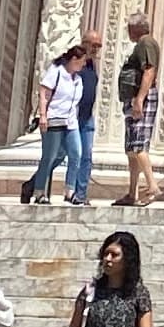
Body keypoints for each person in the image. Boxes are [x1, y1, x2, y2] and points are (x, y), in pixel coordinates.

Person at [25, 37, 87, 205]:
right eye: (81, 62)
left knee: (76, 153)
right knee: (49, 156)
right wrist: (43, 116)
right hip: (54, 119)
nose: (83, 66)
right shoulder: (57, 72)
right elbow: (44, 93)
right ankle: (39, 192)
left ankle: (69, 191)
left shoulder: (78, 80)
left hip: (70, 122)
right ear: (74, 60)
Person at [116, 16, 162, 208]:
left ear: (136, 28)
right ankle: (132, 191)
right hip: (135, 98)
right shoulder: (141, 44)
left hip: (142, 98)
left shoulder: (146, 43)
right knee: (131, 149)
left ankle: (152, 186)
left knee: (138, 145)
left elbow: (149, 71)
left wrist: (140, 99)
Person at [69, 29, 102, 208]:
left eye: (99, 46)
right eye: (94, 45)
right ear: (85, 44)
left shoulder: (91, 65)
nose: (97, 49)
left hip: (87, 117)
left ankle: (79, 194)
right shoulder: (75, 63)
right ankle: (35, 185)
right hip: (72, 117)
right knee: (61, 155)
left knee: (86, 156)